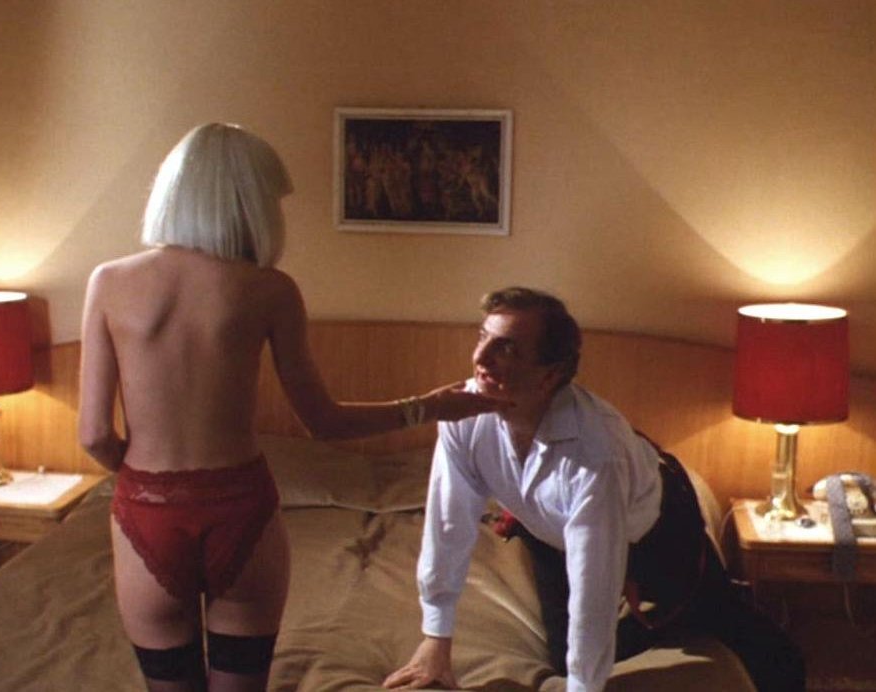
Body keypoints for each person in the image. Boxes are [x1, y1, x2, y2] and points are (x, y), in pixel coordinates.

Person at [77, 122, 508, 692]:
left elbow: (93, 435)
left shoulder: (109, 282)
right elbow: (325, 421)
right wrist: (426, 408)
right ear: (248, 202)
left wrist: (143, 482)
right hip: (239, 508)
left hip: (147, 510)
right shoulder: (269, 290)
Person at [384, 287, 805, 692]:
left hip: (656, 529)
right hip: (549, 530)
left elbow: (595, 584)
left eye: (506, 349)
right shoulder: (462, 412)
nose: (481, 358)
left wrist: (585, 686)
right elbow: (448, 524)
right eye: (483, 337)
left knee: (727, 628)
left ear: (550, 375)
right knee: (563, 655)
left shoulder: (595, 454)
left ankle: (770, 648)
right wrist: (436, 639)